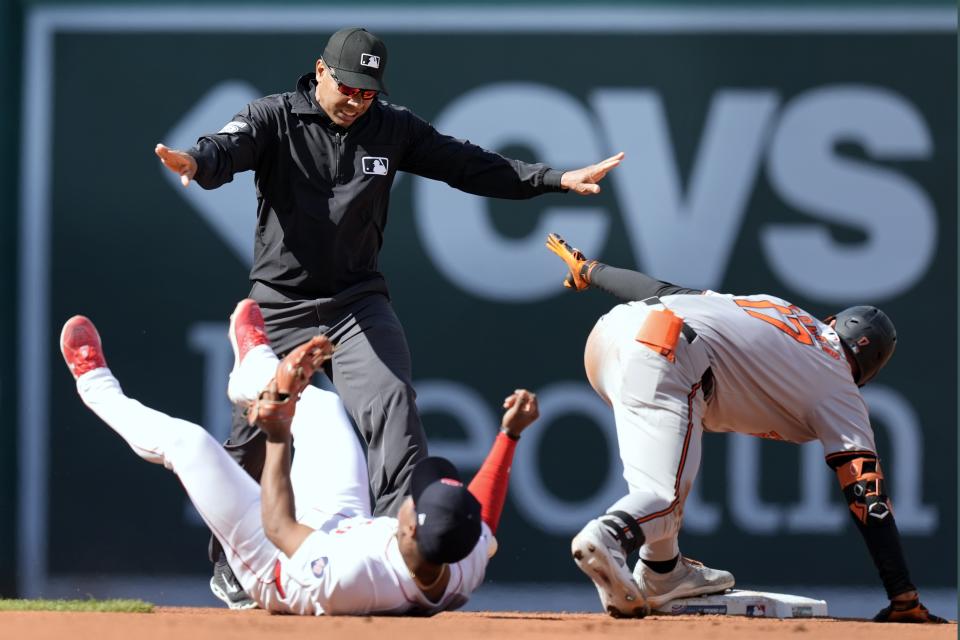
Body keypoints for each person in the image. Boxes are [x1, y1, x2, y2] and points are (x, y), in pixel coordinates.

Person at [154, 26, 622, 607]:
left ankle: (405, 557)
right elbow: (228, 146)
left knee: (393, 405)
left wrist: (553, 178)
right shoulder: (273, 117)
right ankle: (231, 559)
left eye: (368, 92)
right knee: (254, 431)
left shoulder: (391, 127)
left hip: (356, 304)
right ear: (320, 71)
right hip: (278, 305)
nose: (356, 101)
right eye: (348, 87)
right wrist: (197, 161)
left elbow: (466, 164)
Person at [544, 234, 946, 623]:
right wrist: (903, 595)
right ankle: (608, 536)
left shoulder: (776, 307)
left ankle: (664, 571)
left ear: (831, 322)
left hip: (610, 336)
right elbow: (868, 498)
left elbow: (665, 289)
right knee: (661, 499)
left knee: (663, 479)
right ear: (868, 373)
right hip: (665, 353)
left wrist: (592, 270)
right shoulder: (841, 386)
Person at [59, 301, 540, 615]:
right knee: (326, 405)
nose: (413, 498)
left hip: (275, 562)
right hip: (343, 523)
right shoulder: (461, 559)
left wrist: (276, 437)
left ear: (412, 528)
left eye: (417, 502)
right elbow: (482, 513)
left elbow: (278, 527)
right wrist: (508, 436)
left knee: (189, 445)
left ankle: (96, 389)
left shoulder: (356, 580)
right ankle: (254, 367)